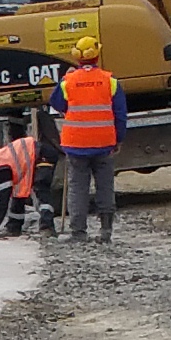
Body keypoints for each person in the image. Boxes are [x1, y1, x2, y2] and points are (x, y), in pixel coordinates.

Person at [54, 52, 122, 241]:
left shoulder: (69, 80)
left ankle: (78, 232)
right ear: (97, 56)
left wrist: (64, 81)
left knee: (77, 188)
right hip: (103, 143)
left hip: (76, 144)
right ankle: (106, 231)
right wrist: (119, 139)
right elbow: (120, 113)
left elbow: (56, 102)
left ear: (77, 58)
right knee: (105, 187)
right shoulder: (110, 80)